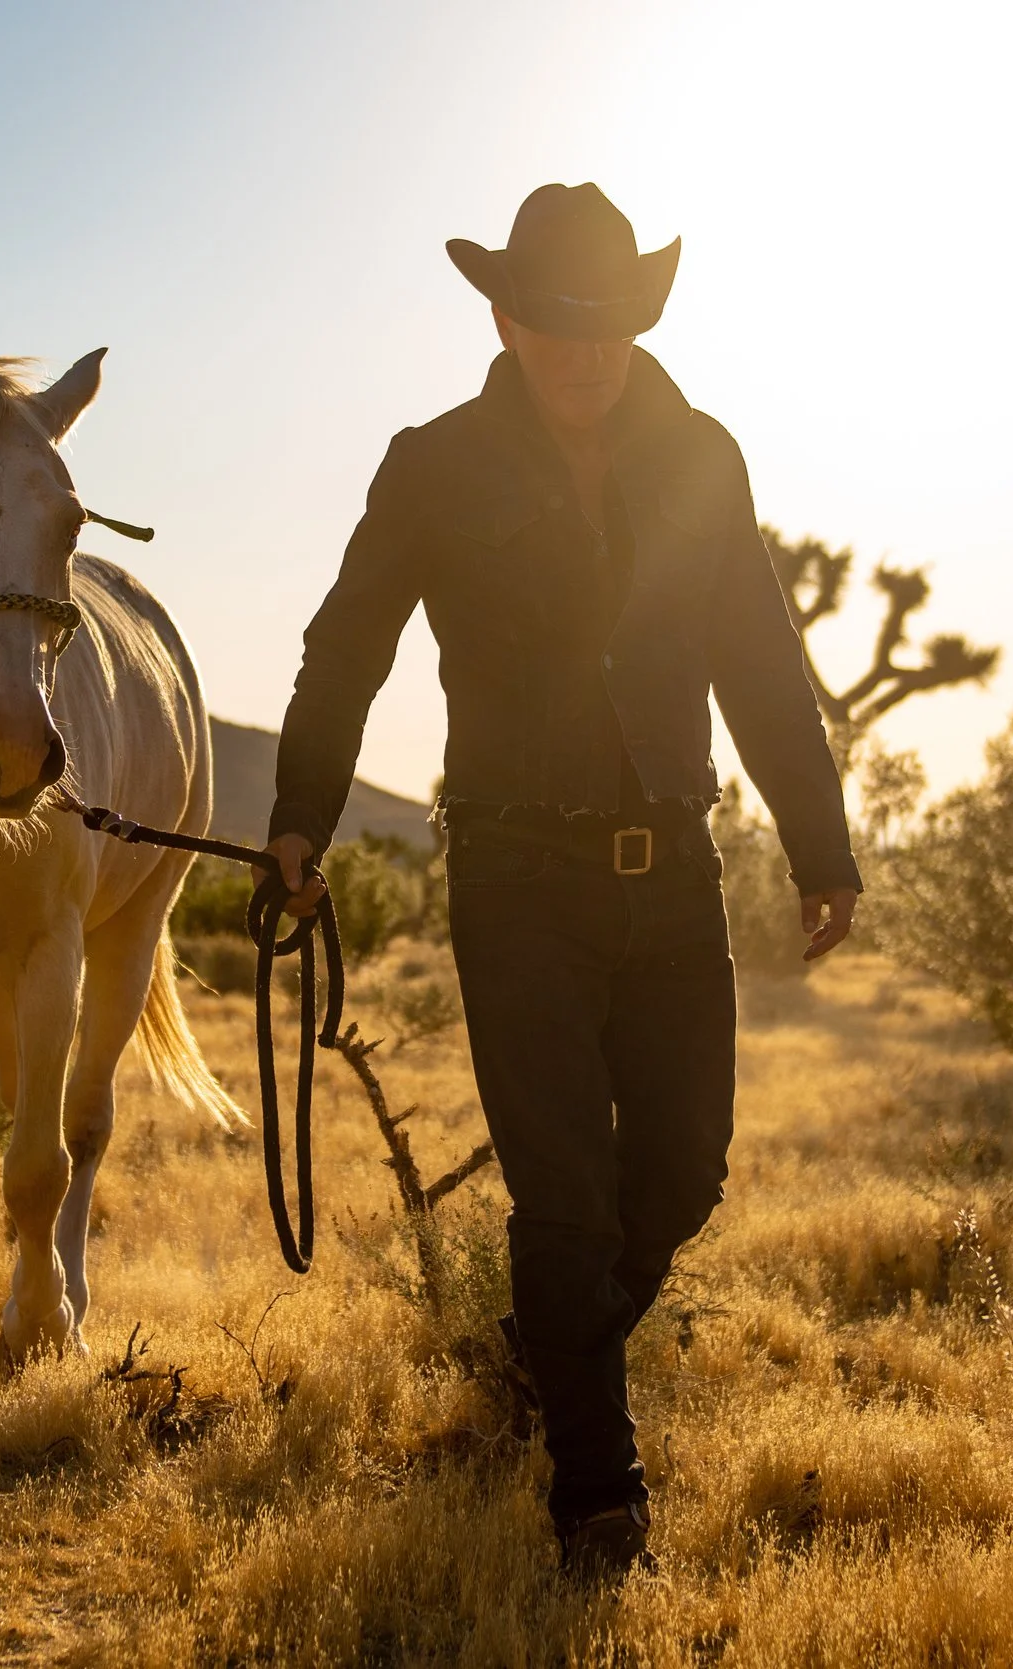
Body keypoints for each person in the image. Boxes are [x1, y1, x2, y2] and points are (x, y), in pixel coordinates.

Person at [262, 182, 860, 1579]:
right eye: (557, 323)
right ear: (506, 317)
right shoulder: (434, 467)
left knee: (684, 1175)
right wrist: (300, 817)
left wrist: (820, 845)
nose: (585, 351)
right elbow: (344, 649)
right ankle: (598, 1493)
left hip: (676, 871)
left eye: (609, 322)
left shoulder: (704, 456)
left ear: (638, 320)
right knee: (567, 1199)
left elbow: (762, 665)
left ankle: (553, 1357)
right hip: (516, 874)